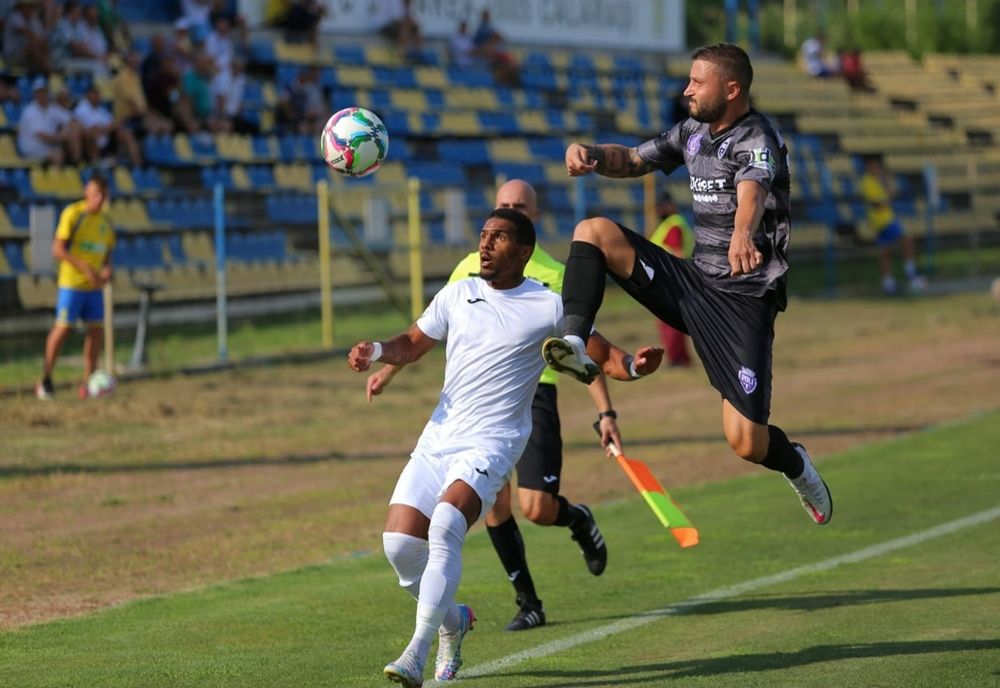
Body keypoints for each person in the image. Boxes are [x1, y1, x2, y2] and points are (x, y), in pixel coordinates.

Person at [348, 208, 662, 686]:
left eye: (499, 238)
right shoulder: (458, 293)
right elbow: (411, 344)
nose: (486, 245)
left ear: (524, 251)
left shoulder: (549, 305)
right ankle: (454, 622)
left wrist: (636, 367)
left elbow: (602, 357)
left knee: (448, 524)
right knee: (398, 547)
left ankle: (417, 652)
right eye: (483, 236)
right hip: (439, 437)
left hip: (492, 443)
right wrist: (375, 349)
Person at [543, 43, 834, 537]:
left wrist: (744, 231)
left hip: (743, 305)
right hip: (694, 285)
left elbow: (753, 190)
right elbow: (633, 159)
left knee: (746, 442)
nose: (687, 90)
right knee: (592, 231)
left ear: (732, 89)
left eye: (698, 82)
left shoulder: (757, 136)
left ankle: (797, 465)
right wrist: (591, 154)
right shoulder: (692, 133)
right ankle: (574, 340)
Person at [35, 174, 116, 401]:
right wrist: (86, 268)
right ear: (87, 194)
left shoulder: (107, 222)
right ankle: (46, 379)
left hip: (94, 289)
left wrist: (107, 269)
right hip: (72, 284)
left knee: (96, 332)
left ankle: (88, 383)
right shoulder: (73, 214)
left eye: (103, 195)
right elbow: (58, 249)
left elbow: (108, 254)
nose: (99, 199)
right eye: (95, 195)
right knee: (62, 329)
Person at [859, 154, 926, 295]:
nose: (876, 168)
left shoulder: (879, 180)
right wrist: (887, 200)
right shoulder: (867, 182)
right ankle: (911, 275)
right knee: (906, 240)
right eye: (874, 166)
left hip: (885, 219)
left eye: (878, 166)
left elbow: (890, 195)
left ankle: (888, 284)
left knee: (886, 252)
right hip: (882, 221)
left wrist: (885, 185)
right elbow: (876, 203)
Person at [646, 190, 693, 367]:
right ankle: (679, 357)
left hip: (671, 279)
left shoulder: (673, 226)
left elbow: (678, 253)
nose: (658, 211)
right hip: (669, 279)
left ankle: (677, 358)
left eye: (661, 207)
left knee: (670, 322)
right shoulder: (670, 225)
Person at [17, 77, 84, 165]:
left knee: (74, 128)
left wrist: (66, 131)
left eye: (44, 92)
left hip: (48, 145)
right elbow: (42, 136)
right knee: (57, 154)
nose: (42, 95)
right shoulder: (30, 111)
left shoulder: (52, 108)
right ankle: (58, 175)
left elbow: (73, 120)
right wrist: (61, 137)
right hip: (32, 147)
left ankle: (77, 160)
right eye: (39, 92)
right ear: (35, 94)